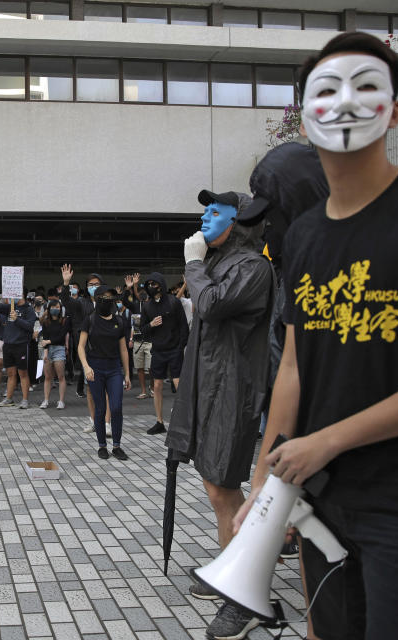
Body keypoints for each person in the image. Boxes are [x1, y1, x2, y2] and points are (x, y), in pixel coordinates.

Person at [233, 32, 398, 640]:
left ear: (394, 109)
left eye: (366, 86)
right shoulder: (304, 237)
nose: (344, 103)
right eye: (325, 90)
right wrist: (261, 484)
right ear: (307, 116)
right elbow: (295, 370)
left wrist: (326, 441)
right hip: (325, 502)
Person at [163, 189, 274, 638]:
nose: (204, 218)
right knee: (216, 486)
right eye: (204, 212)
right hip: (208, 386)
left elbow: (210, 305)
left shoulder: (253, 266)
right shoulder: (220, 263)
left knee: (223, 488)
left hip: (233, 389)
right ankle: (231, 567)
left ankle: (244, 595)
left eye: (215, 212)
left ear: (239, 221)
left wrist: (192, 265)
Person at [78, 285, 131, 460]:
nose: (108, 301)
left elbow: (123, 349)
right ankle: (102, 445)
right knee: (100, 409)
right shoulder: (90, 320)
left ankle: (117, 446)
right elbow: (80, 346)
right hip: (95, 368)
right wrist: (86, 366)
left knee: (116, 407)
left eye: (111, 298)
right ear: (97, 299)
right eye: (104, 297)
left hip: (114, 369)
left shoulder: (120, 321)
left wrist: (127, 373)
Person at [132, 272, 189, 435]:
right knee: (156, 385)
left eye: (154, 283)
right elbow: (141, 330)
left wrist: (180, 347)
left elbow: (183, 326)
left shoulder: (173, 302)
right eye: (148, 283)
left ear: (161, 285)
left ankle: (184, 421)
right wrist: (151, 324)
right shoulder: (148, 306)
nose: (151, 286)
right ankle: (159, 421)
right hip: (158, 350)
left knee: (179, 385)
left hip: (174, 350)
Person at [0, 285, 36, 409]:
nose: (11, 296)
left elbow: (30, 327)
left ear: (21, 294)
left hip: (21, 345)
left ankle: (25, 400)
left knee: (23, 373)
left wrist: (17, 319)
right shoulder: (9, 307)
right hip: (7, 344)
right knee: (10, 373)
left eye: (15, 293)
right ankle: (9, 399)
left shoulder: (28, 309)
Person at [58, 265, 100, 398]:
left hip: (103, 343)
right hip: (86, 343)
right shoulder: (81, 302)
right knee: (87, 369)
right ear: (86, 287)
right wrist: (66, 283)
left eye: (96, 284)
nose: (93, 287)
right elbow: (66, 301)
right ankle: (88, 393)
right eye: (90, 284)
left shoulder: (107, 302)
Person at [121, 278, 153, 400]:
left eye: (144, 292)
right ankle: (143, 391)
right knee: (139, 368)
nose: (142, 295)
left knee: (151, 368)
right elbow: (124, 301)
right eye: (140, 293)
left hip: (150, 341)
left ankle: (152, 388)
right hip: (138, 341)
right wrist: (128, 288)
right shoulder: (135, 306)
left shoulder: (152, 305)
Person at [39, 299, 68, 409]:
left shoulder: (64, 321)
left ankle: (61, 401)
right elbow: (45, 337)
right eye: (52, 307)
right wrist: (45, 352)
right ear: (48, 309)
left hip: (59, 349)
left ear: (60, 308)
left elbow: (61, 337)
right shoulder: (46, 322)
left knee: (60, 376)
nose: (55, 309)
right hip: (48, 349)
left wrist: (48, 342)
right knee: (47, 376)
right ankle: (46, 400)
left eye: (57, 307)